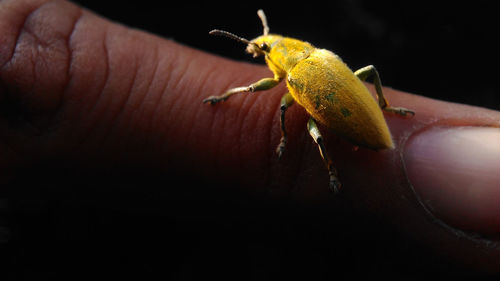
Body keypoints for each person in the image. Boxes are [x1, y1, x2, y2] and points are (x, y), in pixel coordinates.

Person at [1, 0, 499, 277]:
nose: (261, 51)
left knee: (303, 129)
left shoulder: (301, 79)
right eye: (260, 46)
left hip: (347, 113)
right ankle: (379, 113)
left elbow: (272, 98)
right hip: (345, 96)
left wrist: (236, 102)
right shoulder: (319, 60)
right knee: (363, 75)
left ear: (278, 53)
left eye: (262, 45)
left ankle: (331, 164)